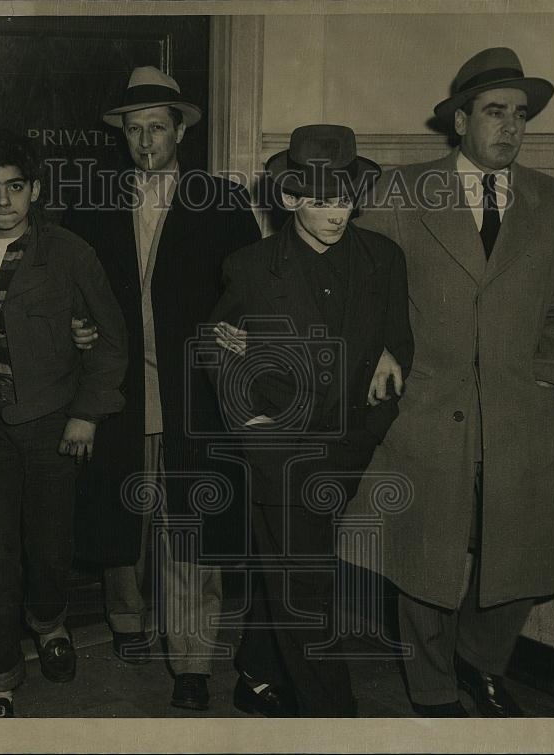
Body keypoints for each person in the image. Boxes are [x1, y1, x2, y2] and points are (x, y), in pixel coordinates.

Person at [343, 47, 554, 717]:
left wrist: (552, 379)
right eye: (493, 112)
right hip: (428, 408)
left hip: (520, 412)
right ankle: (430, 689)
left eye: (520, 115)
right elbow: (362, 285)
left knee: (522, 559)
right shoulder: (401, 191)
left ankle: (481, 661)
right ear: (459, 121)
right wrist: (382, 357)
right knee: (425, 559)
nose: (509, 127)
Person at [64, 66, 263, 711]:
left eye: (157, 127)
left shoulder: (221, 201)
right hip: (118, 386)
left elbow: (248, 292)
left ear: (181, 130)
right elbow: (69, 288)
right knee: (121, 506)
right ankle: (126, 622)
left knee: (189, 521)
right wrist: (78, 328)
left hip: (191, 386)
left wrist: (232, 344)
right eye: (133, 129)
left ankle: (193, 659)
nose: (144, 140)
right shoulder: (93, 200)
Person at [208, 124, 414, 717]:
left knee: (295, 569)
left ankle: (256, 668)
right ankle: (334, 721)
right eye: (320, 200)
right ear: (291, 199)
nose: (336, 212)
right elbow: (220, 351)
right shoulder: (250, 267)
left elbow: (401, 340)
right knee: (308, 586)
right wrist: (253, 432)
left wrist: (389, 361)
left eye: (344, 197)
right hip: (280, 450)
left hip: (350, 445)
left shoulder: (384, 259)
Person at [0, 129, 128, 717]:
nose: (2, 200)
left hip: (52, 418)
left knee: (48, 548)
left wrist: (87, 415)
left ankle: (49, 621)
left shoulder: (70, 252)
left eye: (15, 187)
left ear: (35, 190)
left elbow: (111, 341)